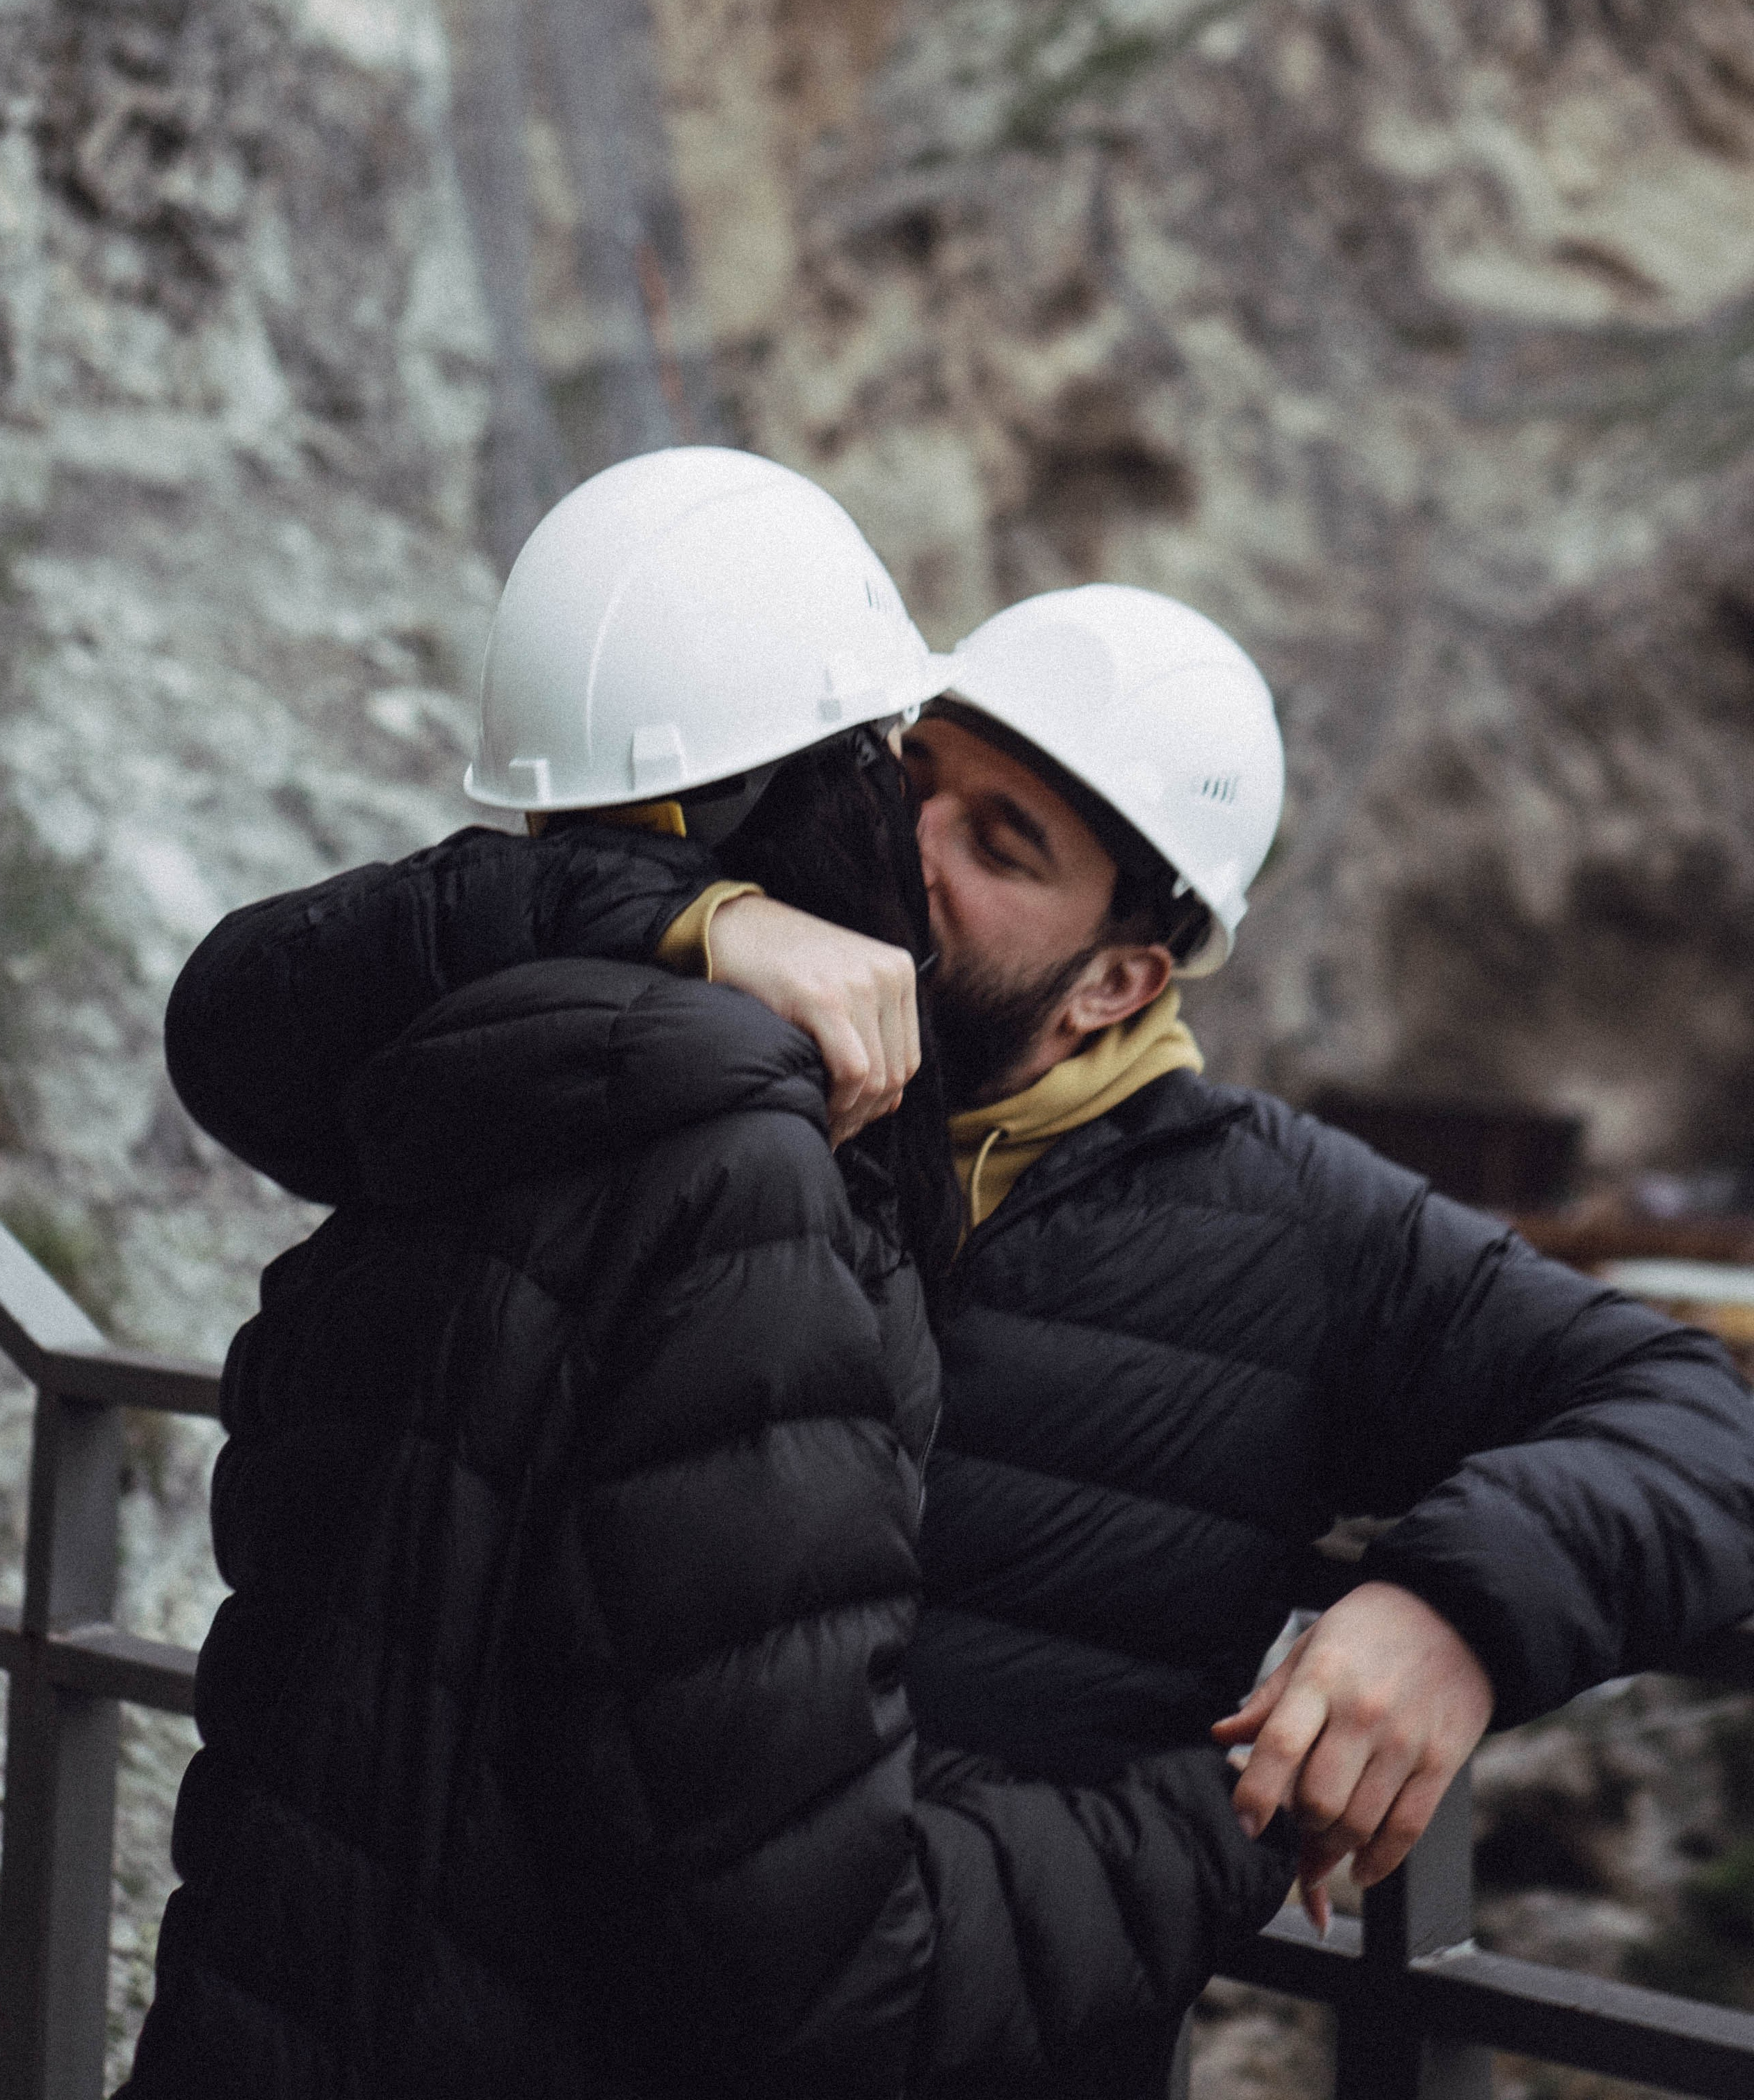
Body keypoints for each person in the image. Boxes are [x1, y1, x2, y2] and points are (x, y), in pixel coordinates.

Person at [153, 475, 1754, 1943]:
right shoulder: (721, 1049)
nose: (910, 848)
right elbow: (248, 1021)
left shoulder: (1291, 1227)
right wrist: (669, 917)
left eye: (1001, 845)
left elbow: (1700, 1418)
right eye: (911, 779)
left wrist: (1455, 1609)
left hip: (954, 2009)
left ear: (1118, 980)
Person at [123, 452, 1294, 2100]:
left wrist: (686, 918)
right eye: (891, 768)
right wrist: (1230, 1816)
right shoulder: (745, 1186)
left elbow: (257, 999)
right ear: (829, 796)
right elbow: (821, 1971)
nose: (915, 834)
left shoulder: (453, 1073)